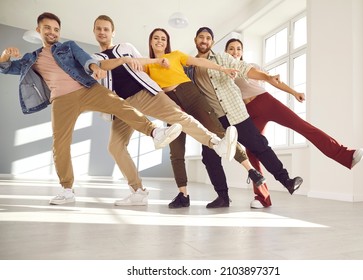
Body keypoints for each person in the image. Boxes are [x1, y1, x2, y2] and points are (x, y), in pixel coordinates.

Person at [0, 12, 184, 205]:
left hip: (87, 89)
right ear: (39, 30)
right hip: (61, 101)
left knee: (120, 104)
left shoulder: (68, 47)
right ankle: (67, 189)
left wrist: (95, 68)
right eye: (47, 28)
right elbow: (7, 68)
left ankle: (155, 132)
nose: (52, 32)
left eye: (56, 29)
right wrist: (5, 55)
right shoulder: (32, 58)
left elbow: (85, 59)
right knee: (60, 144)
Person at [91, 15, 238, 206]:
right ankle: (138, 191)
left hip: (144, 93)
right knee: (115, 146)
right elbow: (100, 68)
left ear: (113, 32)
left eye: (106, 29)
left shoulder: (125, 47)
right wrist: (122, 62)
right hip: (122, 105)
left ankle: (216, 143)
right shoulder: (94, 59)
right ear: (94, 32)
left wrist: (154, 63)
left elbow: (145, 61)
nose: (102, 32)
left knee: (179, 117)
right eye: (99, 29)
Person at [224, 38, 363, 208]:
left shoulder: (250, 66)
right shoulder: (222, 73)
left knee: (302, 126)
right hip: (247, 113)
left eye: (238, 49)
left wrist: (293, 92)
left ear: (242, 52)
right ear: (225, 52)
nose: (235, 52)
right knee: (253, 152)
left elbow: (273, 80)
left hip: (266, 102)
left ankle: (347, 156)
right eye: (231, 49)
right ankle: (262, 197)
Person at [146, 28, 266, 208]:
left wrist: (222, 68)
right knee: (176, 151)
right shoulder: (147, 64)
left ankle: (252, 171)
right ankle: (183, 195)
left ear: (167, 41)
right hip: (171, 105)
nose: (160, 41)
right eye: (156, 38)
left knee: (218, 133)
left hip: (191, 96)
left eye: (163, 38)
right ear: (150, 41)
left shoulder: (177, 56)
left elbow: (202, 62)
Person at [186, 27, 304, 208]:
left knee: (259, 145)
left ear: (212, 42)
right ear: (195, 40)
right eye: (201, 37)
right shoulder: (190, 66)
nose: (204, 40)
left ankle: (286, 180)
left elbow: (244, 69)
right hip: (212, 119)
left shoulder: (222, 58)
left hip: (235, 112)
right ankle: (223, 197)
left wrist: (267, 76)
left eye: (208, 38)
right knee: (209, 157)